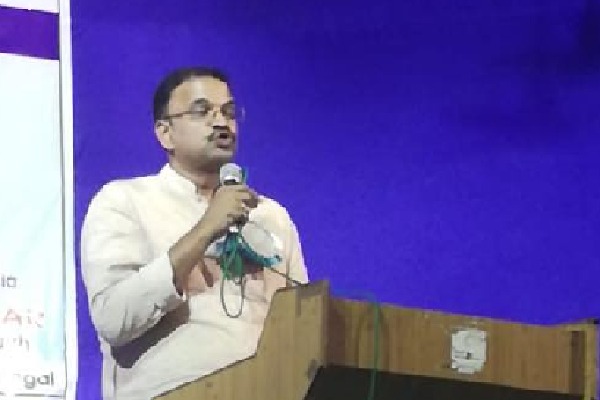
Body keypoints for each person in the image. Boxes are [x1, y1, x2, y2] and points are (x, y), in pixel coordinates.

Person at [81, 67, 309, 400]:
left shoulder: (270, 215)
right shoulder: (124, 201)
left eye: (229, 112)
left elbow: (300, 326)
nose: (221, 122)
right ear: (165, 133)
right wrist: (205, 229)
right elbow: (113, 318)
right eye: (203, 111)